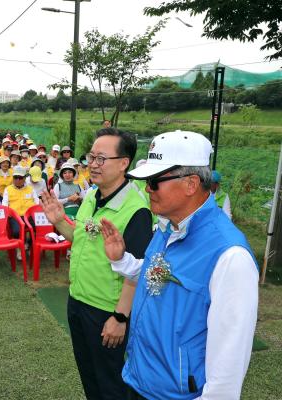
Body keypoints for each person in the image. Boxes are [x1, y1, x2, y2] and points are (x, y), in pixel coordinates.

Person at [100, 131, 258, 400]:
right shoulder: (167, 226)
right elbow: (159, 275)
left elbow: (228, 371)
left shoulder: (230, 256)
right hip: (140, 381)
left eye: (154, 181)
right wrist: (122, 260)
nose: (147, 188)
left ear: (191, 184)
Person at [40, 128, 153, 400]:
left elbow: (137, 271)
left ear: (124, 163)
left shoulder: (136, 210)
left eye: (101, 158)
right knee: (89, 374)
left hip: (107, 311)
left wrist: (120, 317)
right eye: (91, 156)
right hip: (78, 300)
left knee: (112, 383)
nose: (92, 164)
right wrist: (58, 221)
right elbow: (80, 239)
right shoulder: (91, 195)